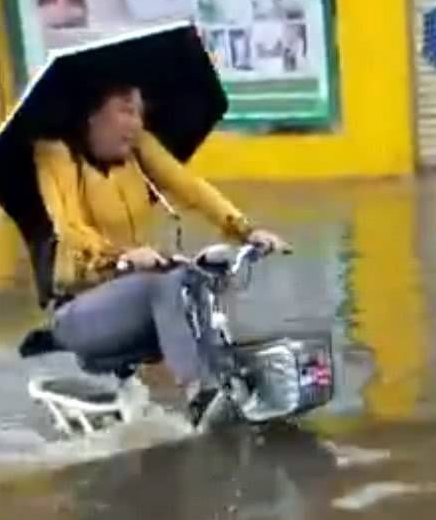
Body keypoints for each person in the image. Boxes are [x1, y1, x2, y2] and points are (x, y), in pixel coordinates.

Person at [34, 81, 289, 426]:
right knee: (166, 285)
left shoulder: (139, 149)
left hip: (134, 295)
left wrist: (247, 231)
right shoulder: (56, 153)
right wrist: (121, 256)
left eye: (140, 112)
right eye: (125, 110)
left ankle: (232, 387)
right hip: (79, 310)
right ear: (93, 115)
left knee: (202, 277)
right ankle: (201, 393)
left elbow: (191, 188)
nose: (136, 123)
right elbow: (69, 226)